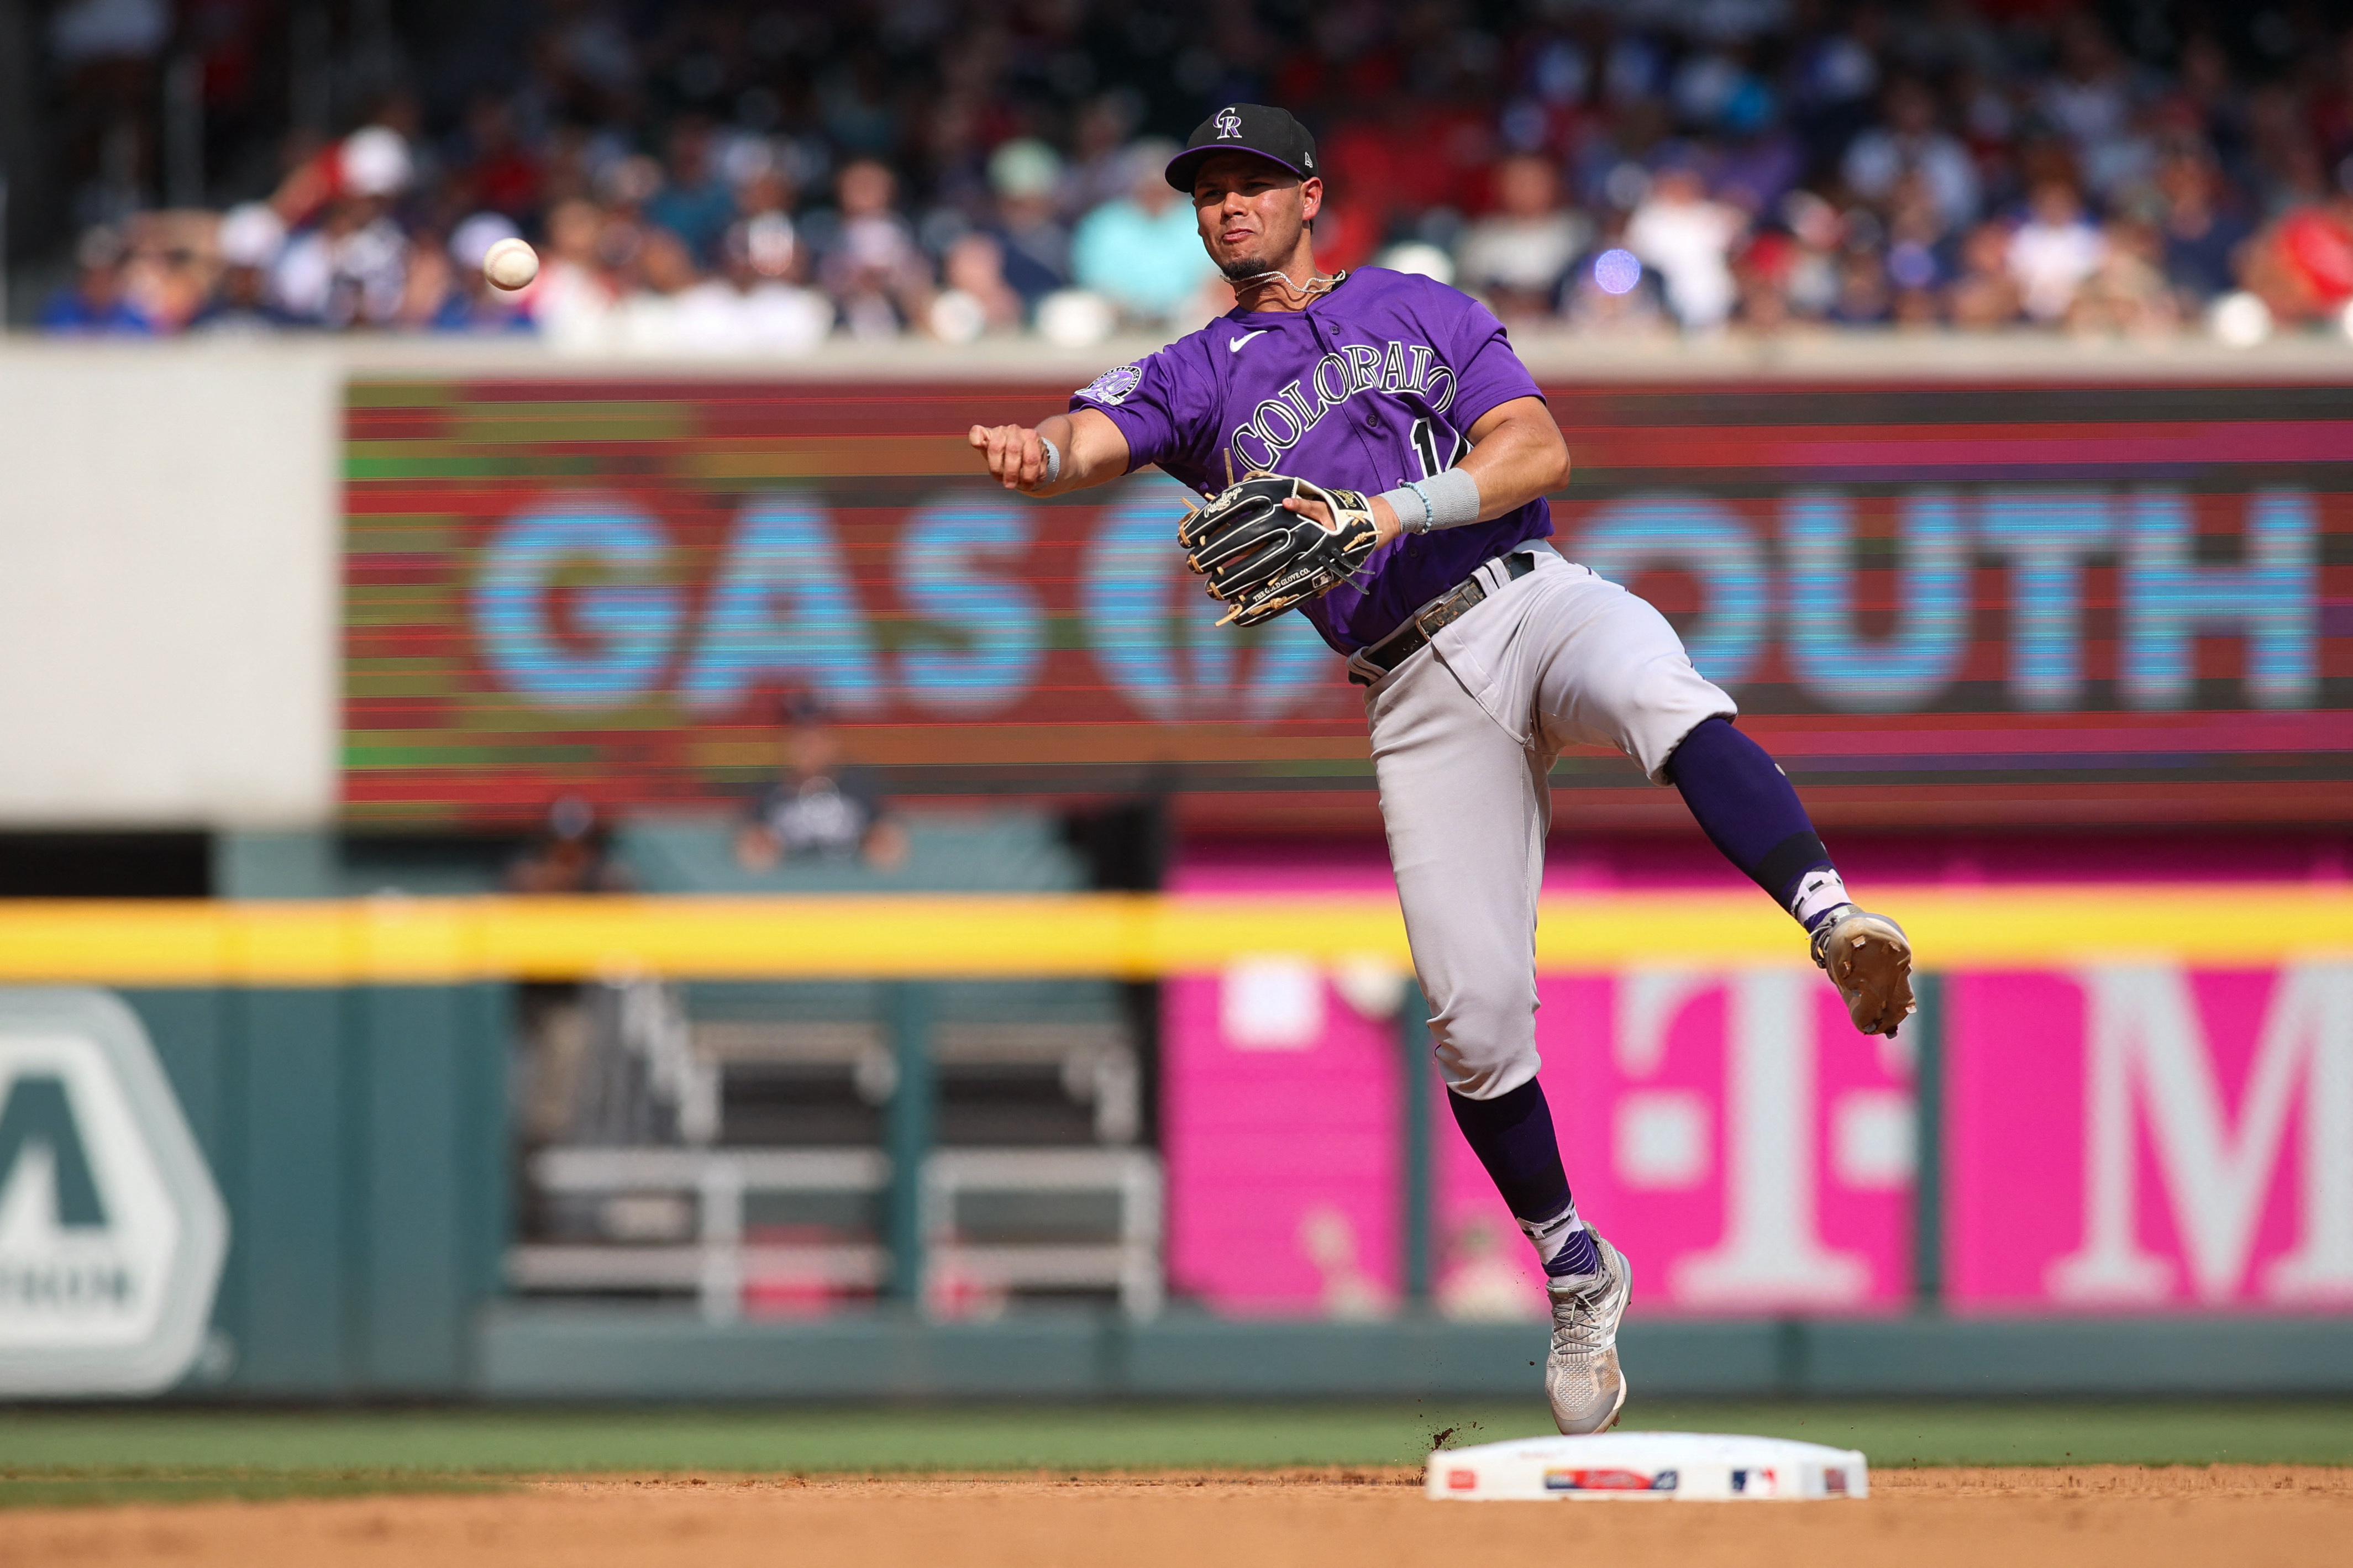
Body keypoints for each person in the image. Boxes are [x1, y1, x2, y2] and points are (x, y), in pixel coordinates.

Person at [967, 104, 1914, 1438]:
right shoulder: (1196, 372)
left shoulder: (1415, 305)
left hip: (1529, 594)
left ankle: (1832, 916)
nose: (1227, 205)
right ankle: (1577, 1265)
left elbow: (1537, 450)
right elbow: (1087, 441)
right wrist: (1036, 453)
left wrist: (1382, 511)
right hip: (1409, 683)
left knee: (1660, 689)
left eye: (1252, 182)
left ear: (1310, 197)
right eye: (1207, 189)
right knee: (1472, 1018)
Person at [736, 699, 910, 872]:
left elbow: (890, 845)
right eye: (800, 737)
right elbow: (750, 851)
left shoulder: (862, 784)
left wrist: (878, 842)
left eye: (817, 737)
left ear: (832, 741)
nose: (808, 747)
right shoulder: (766, 790)